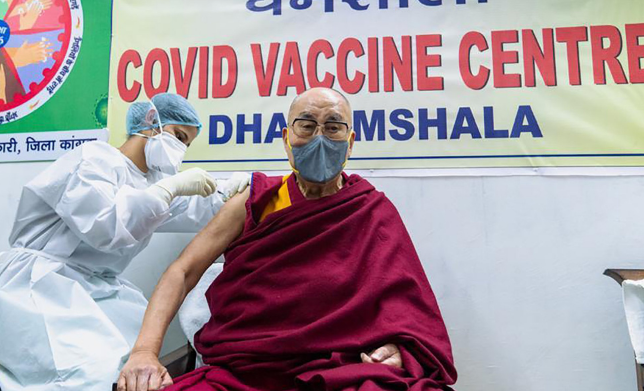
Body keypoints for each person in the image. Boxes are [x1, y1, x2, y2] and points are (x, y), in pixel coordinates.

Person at [117, 88, 457, 391]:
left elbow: (407, 307)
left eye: (333, 127)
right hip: (246, 373)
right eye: (306, 125)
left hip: (343, 370)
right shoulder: (255, 201)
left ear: (350, 142)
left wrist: (401, 349)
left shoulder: (370, 209)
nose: (319, 137)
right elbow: (183, 271)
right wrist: (145, 352)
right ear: (286, 138)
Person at [0, 93, 250, 391]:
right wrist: (170, 188)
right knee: (89, 373)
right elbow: (105, 226)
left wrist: (236, 190)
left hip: (96, 290)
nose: (180, 149)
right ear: (151, 122)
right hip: (41, 290)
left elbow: (194, 207)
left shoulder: (152, 182)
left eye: (186, 143)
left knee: (142, 358)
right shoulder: (94, 159)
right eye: (177, 136)